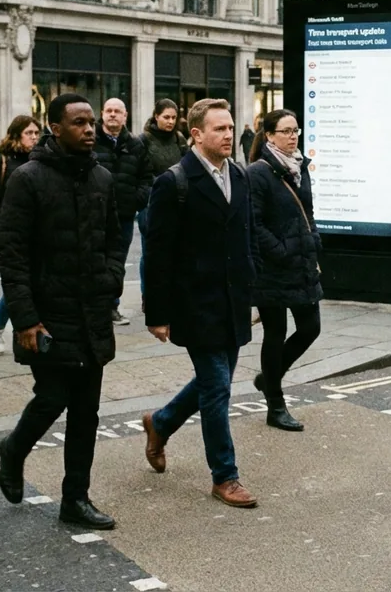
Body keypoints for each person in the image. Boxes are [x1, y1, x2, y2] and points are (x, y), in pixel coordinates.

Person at [0, 93, 124, 530]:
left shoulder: (102, 178)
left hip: (91, 311)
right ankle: (14, 449)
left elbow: (115, 240)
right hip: (48, 314)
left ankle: (76, 499)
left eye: (91, 122)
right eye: (79, 123)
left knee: (86, 411)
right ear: (55, 128)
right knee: (53, 397)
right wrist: (25, 319)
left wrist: (111, 279)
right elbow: (12, 256)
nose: (89, 130)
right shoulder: (27, 179)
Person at [141, 98, 260, 509]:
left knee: (215, 382)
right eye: (219, 129)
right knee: (217, 389)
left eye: (230, 127)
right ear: (196, 134)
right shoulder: (174, 182)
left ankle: (160, 423)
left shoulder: (239, 175)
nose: (228, 135)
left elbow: (246, 237)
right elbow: (157, 255)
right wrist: (157, 313)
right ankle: (225, 476)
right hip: (196, 303)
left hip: (233, 300)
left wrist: (254, 291)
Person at [246, 108, 322, 432]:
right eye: (286, 131)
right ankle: (275, 406)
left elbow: (308, 211)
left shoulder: (299, 167)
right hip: (272, 268)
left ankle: (269, 378)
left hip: (301, 263)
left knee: (311, 328)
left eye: (296, 131)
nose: (293, 137)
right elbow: (253, 222)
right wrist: (280, 250)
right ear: (269, 136)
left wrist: (313, 239)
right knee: (275, 334)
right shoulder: (258, 173)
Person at [0, 115, 41, 352]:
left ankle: (28, 329)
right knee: (15, 283)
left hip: (35, 231)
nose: (34, 138)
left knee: (32, 282)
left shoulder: (39, 159)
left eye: (36, 133)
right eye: (28, 133)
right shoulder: (0, 162)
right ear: (16, 135)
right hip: (6, 233)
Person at [93, 98, 150, 326]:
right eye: (109, 110)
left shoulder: (135, 145)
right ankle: (95, 307)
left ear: (125, 116)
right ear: (102, 114)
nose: (113, 114)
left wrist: (135, 201)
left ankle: (112, 307)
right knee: (93, 260)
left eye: (117, 111)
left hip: (123, 216)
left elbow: (146, 178)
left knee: (117, 262)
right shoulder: (91, 140)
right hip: (94, 215)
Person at [138, 98, 189, 298]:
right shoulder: (144, 140)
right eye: (166, 117)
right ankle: (148, 294)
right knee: (150, 250)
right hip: (152, 200)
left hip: (178, 199)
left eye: (173, 118)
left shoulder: (179, 139)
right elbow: (141, 172)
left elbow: (187, 165)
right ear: (156, 116)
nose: (170, 121)